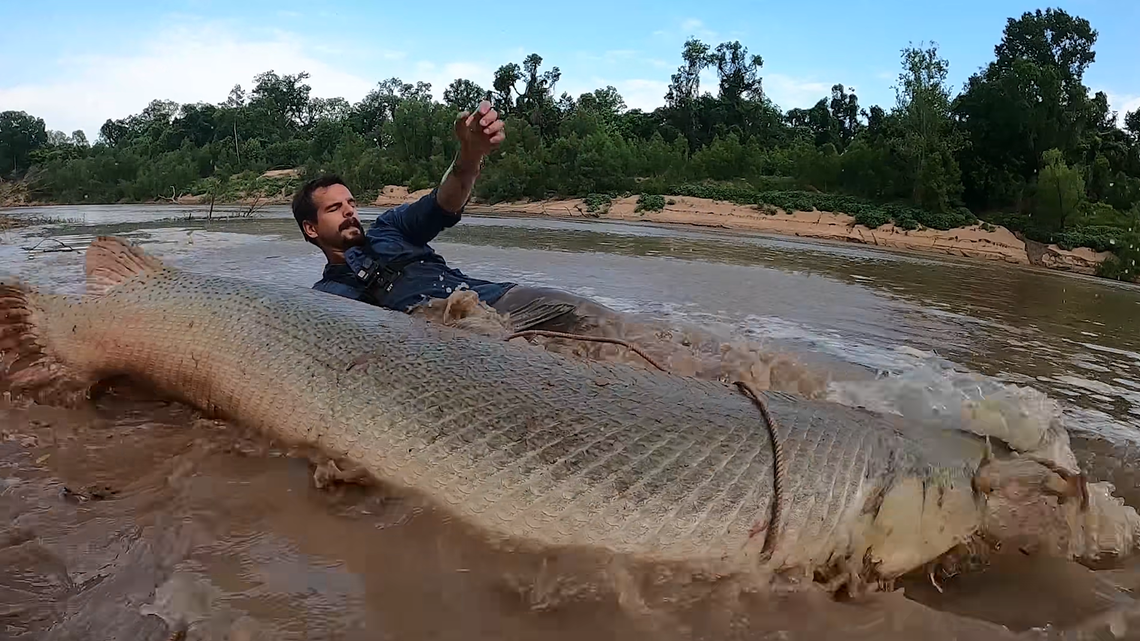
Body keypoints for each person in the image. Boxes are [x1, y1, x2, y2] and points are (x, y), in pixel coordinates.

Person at [291, 100, 618, 334]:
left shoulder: (391, 228)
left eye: (351, 203)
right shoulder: (326, 298)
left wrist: (470, 155)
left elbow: (444, 201)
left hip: (495, 300)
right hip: (444, 337)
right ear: (310, 228)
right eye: (334, 209)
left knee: (585, 313)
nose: (349, 211)